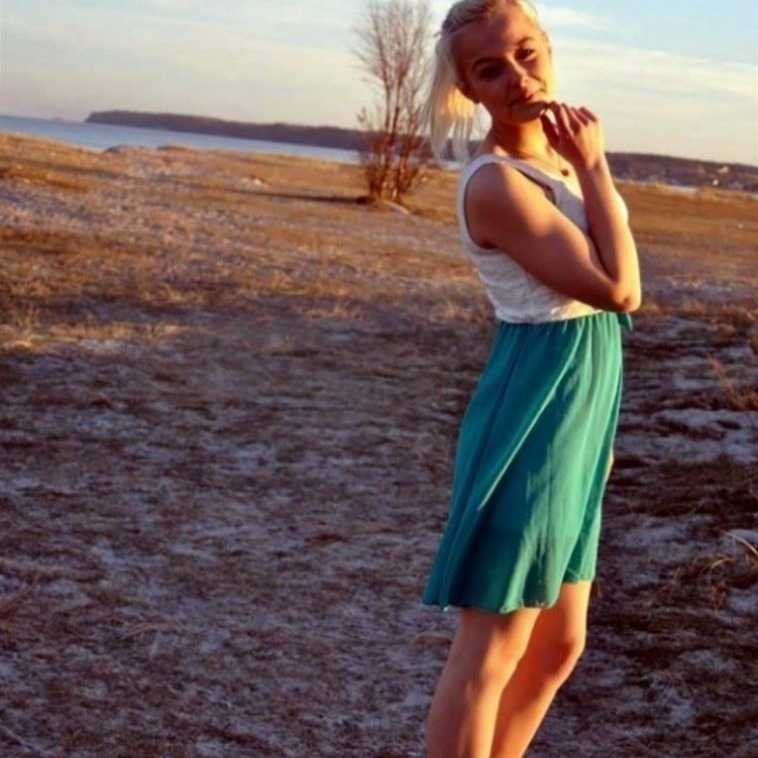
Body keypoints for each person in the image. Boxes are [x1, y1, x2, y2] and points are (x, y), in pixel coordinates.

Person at [418, 1, 642, 756]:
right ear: (469, 89)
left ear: (547, 47)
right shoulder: (497, 184)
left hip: (581, 409)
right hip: (534, 411)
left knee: (558, 647)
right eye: (490, 70)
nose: (517, 78)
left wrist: (585, 166)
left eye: (525, 54)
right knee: (493, 646)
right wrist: (597, 165)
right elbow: (620, 290)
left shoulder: (557, 162)